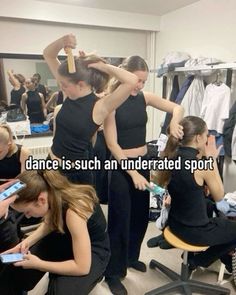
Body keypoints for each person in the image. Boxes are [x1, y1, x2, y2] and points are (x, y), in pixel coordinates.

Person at [103, 55, 184, 294]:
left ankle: (130, 258)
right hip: (120, 165)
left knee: (139, 216)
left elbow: (176, 107)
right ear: (124, 75)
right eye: (136, 80)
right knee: (120, 218)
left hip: (142, 160)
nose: (139, 86)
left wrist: (173, 122)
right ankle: (113, 272)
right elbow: (112, 145)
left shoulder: (144, 98)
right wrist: (133, 173)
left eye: (143, 81)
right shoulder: (111, 102)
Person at [43, 34, 138, 185]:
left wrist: (102, 66)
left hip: (76, 175)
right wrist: (62, 42)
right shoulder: (69, 94)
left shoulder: (100, 106)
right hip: (51, 167)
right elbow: (48, 54)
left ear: (80, 84)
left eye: (64, 85)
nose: (61, 88)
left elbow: (132, 81)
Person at [0, 170, 110, 295]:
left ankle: (93, 276)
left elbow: (82, 267)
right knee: (13, 269)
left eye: (28, 211)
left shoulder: (74, 212)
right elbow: (49, 223)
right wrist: (25, 243)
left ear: (41, 200)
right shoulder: (50, 194)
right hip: (63, 235)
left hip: (90, 251)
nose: (28, 217)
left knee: (59, 292)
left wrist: (39, 264)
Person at [154, 116, 236, 274]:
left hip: (175, 224)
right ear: (198, 138)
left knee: (206, 204)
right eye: (206, 136)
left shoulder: (171, 155)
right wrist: (211, 159)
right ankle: (197, 261)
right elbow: (220, 198)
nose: (207, 140)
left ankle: (214, 258)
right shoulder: (202, 165)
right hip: (193, 232)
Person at [0, 124, 30, 252]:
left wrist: (5, 199)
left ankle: (13, 249)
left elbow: (26, 182)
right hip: (1, 192)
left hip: (19, 192)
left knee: (7, 217)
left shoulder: (23, 153)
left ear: (9, 143)